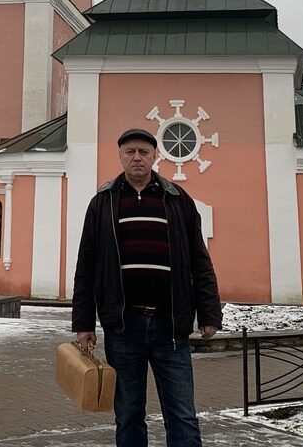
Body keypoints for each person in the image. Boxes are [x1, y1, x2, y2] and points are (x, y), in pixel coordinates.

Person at [72, 127, 222, 447]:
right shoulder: (103, 203)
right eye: (130, 152)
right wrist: (83, 324)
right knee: (127, 413)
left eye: (144, 151)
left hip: (170, 326)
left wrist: (210, 313)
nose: (137, 157)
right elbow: (86, 267)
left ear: (156, 156)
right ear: (120, 157)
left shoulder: (178, 200)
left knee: (182, 413)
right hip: (124, 327)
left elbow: (200, 260)